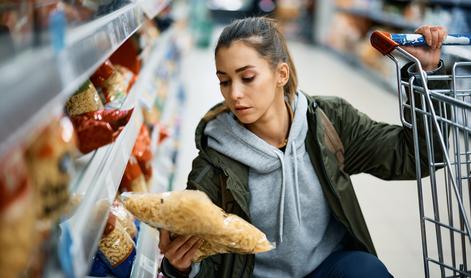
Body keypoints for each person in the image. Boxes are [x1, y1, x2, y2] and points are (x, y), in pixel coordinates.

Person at [158, 17, 448, 278]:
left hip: (327, 268)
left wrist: (426, 74)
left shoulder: (327, 123)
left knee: (365, 270)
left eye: (247, 78)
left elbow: (417, 156)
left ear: (280, 74)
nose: (234, 94)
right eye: (224, 81)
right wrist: (180, 267)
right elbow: (208, 263)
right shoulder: (215, 162)